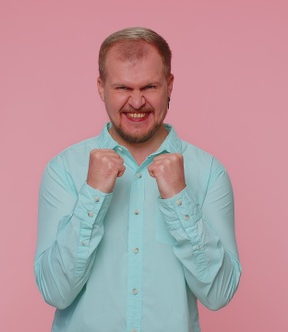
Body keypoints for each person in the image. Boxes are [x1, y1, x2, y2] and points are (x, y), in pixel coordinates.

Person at [34, 27, 241, 332]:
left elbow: (219, 294)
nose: (136, 102)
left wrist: (178, 197)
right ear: (101, 87)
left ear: (169, 85)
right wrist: (93, 193)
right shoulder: (64, 169)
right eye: (122, 88)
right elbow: (55, 292)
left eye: (149, 87)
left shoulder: (209, 172)